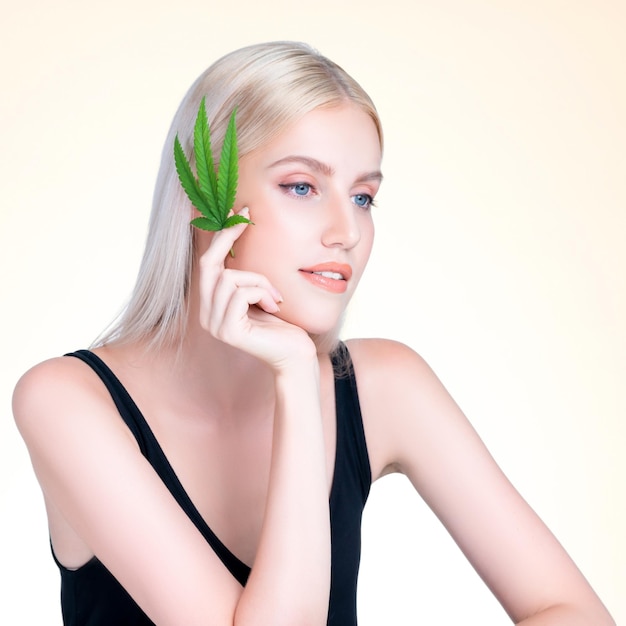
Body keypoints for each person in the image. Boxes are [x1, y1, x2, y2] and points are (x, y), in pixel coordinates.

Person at [12, 41, 614, 626]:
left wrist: (297, 375)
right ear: (204, 195)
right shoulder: (66, 401)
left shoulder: (385, 385)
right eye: (302, 186)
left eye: (363, 196)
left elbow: (575, 612)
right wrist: (297, 376)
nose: (346, 230)